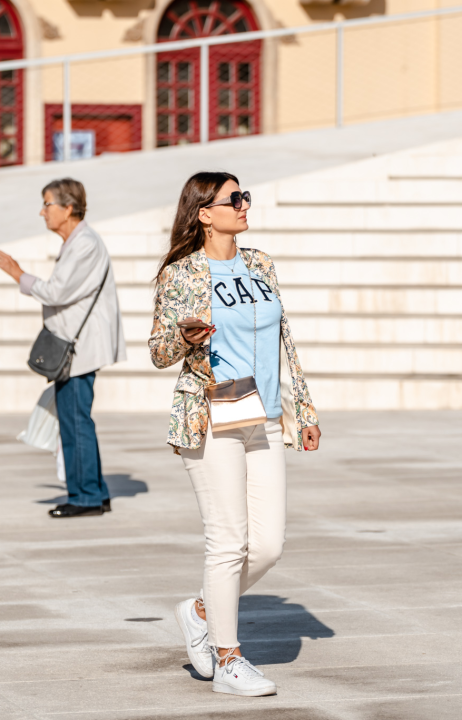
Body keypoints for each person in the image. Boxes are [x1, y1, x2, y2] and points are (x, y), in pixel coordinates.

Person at [149, 172, 321, 697]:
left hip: (263, 414)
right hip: (212, 413)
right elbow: (158, 352)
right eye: (234, 198)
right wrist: (184, 337)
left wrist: (303, 408)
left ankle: (200, 610)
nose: (244, 204)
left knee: (267, 546)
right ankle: (227, 659)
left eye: (245, 196)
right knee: (228, 541)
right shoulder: (181, 274)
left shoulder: (260, 263)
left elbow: (284, 338)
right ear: (205, 213)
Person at [0, 178, 127, 518]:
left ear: (68, 208)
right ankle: (95, 491)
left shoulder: (84, 244)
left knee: (75, 423)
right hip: (77, 348)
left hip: (80, 350)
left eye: (47, 204)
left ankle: (85, 497)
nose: (42, 212)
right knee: (76, 421)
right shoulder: (77, 243)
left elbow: (56, 292)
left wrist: (18, 273)